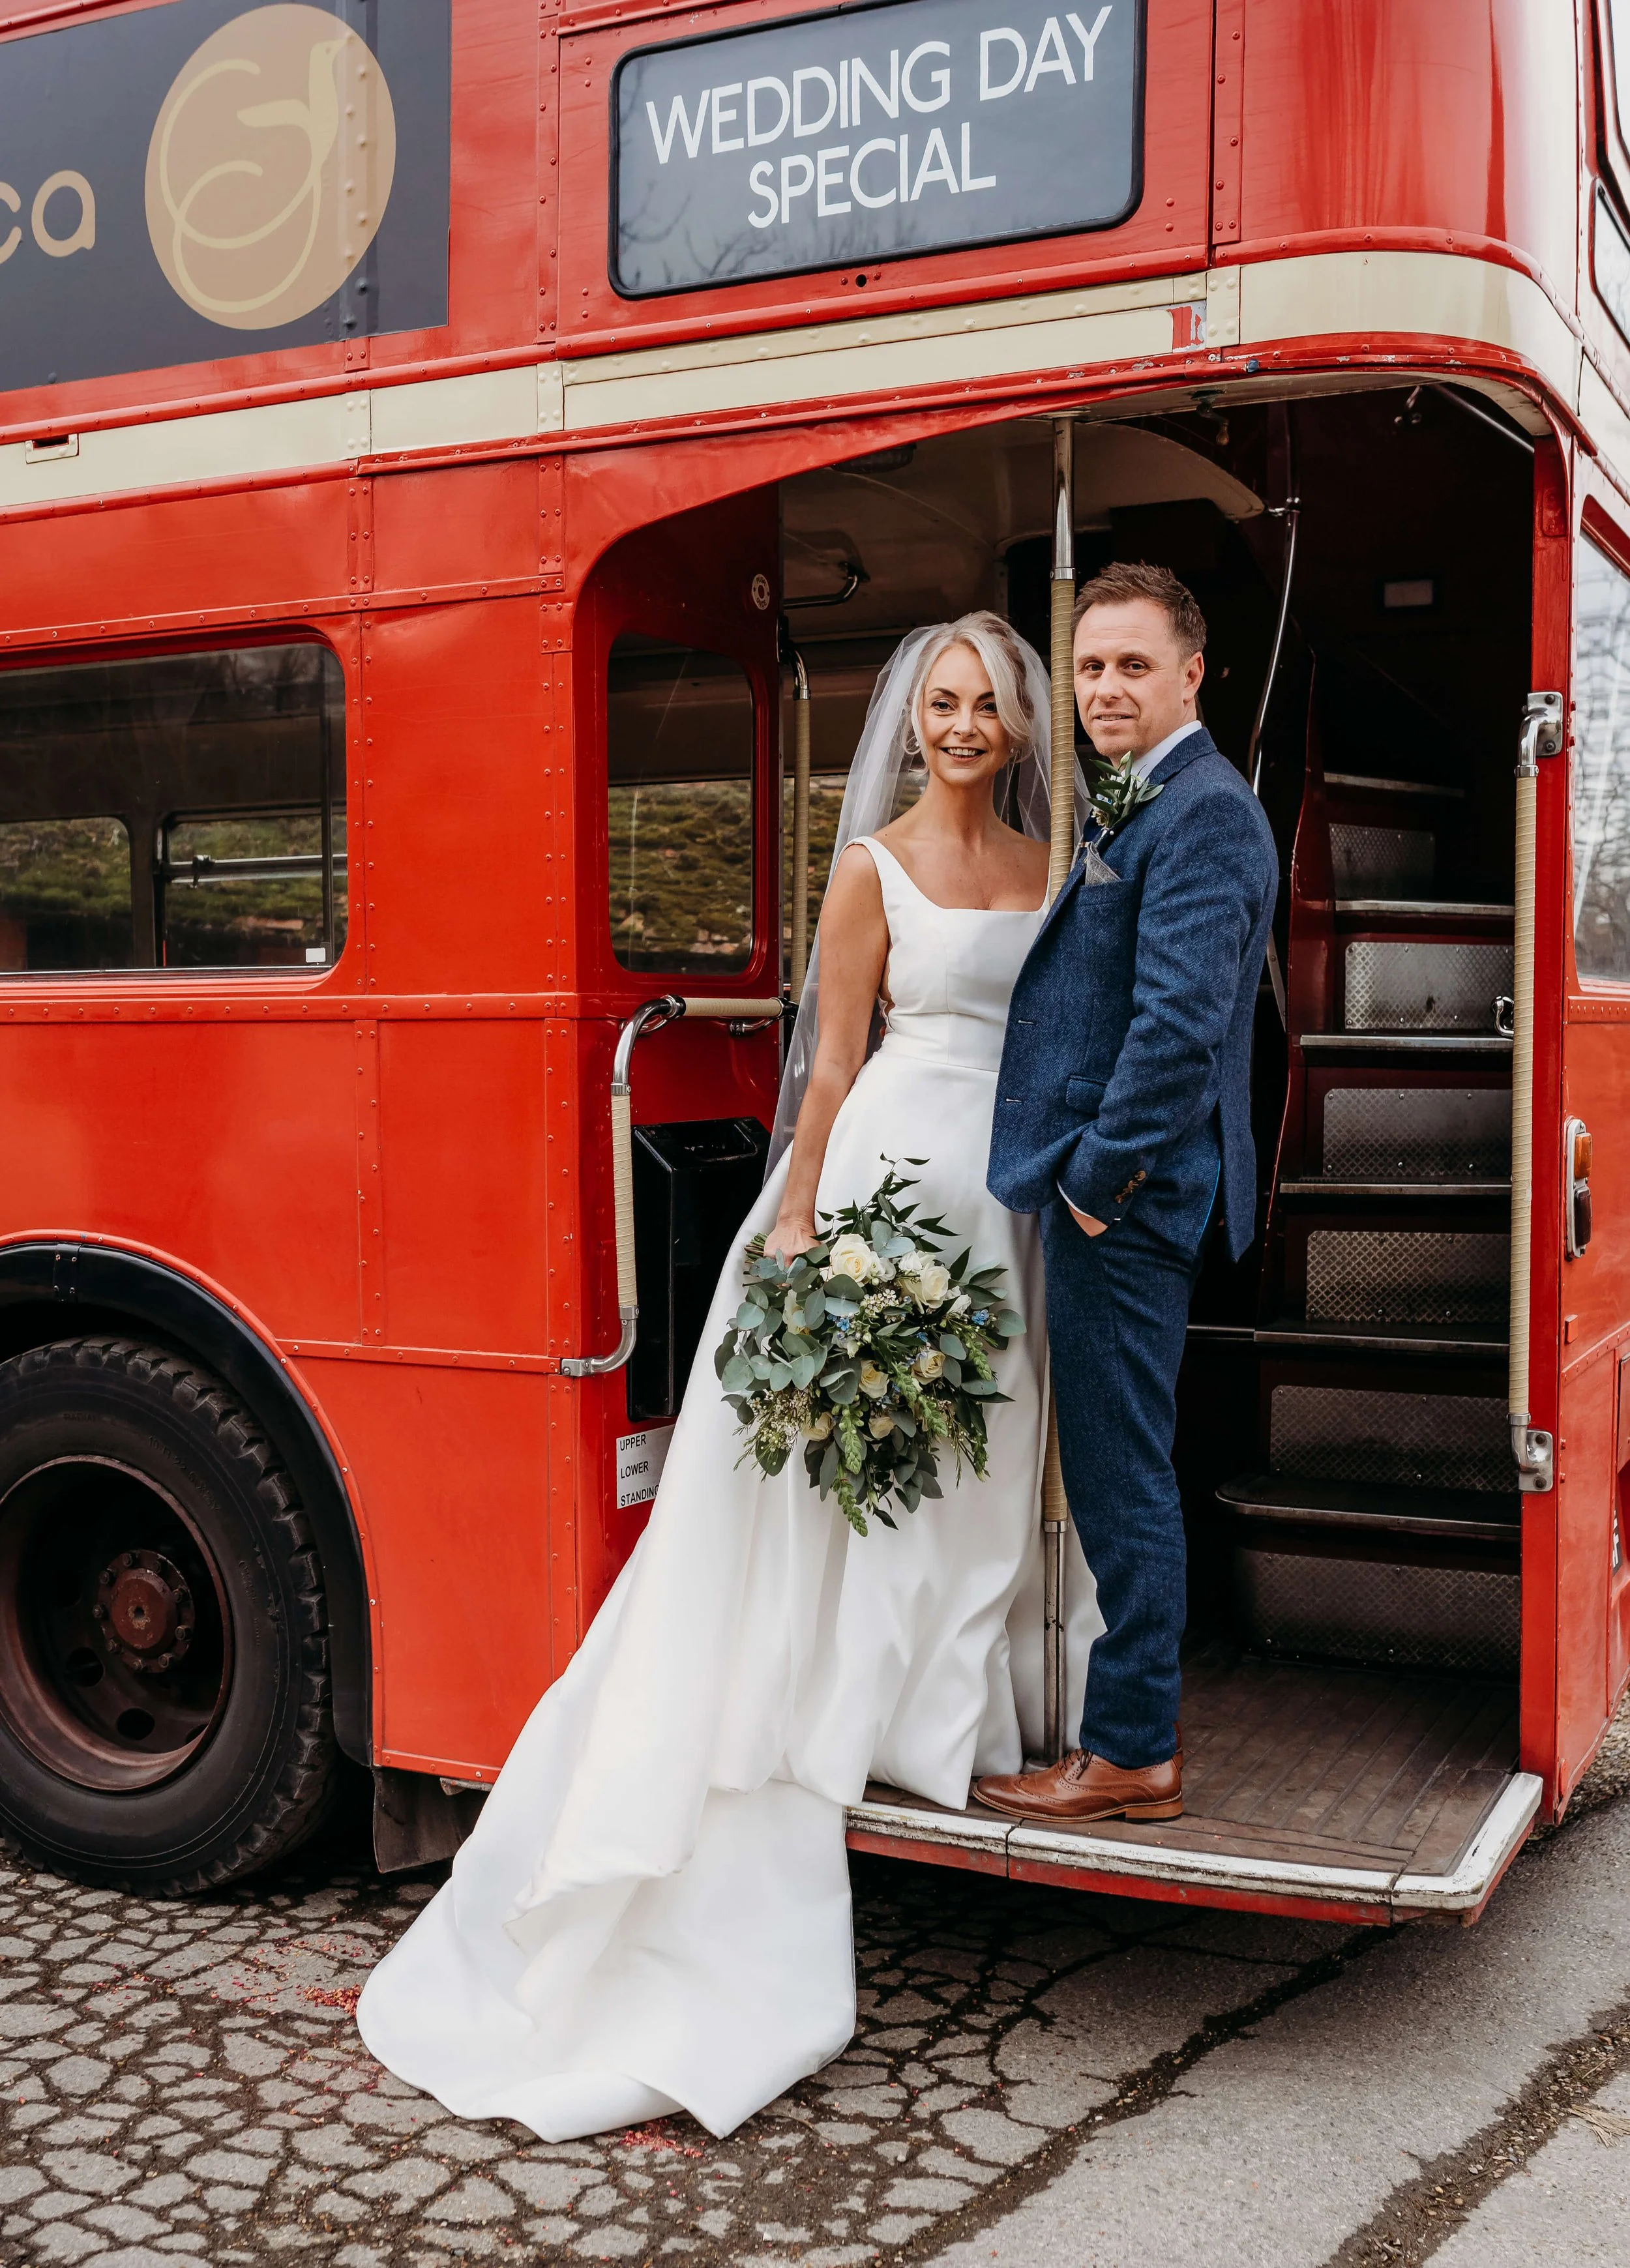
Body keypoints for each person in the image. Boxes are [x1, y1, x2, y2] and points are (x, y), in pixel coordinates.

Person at [356, 611, 1099, 2143]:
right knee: (879, 1471)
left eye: (988, 704)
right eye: (943, 701)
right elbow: (831, 1061)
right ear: (916, 721)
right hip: (892, 1170)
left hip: (1008, 1200)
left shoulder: (1050, 869)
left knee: (988, 1460)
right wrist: (809, 1228)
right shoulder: (871, 862)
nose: (963, 723)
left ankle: (964, 1721)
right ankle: (869, 1721)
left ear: (1022, 725)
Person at [978, 562, 1278, 1827]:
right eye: (1090, 665)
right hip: (1129, 1191)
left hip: (1134, 1198)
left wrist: (1095, 1184)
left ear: (1191, 672)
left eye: (1131, 664)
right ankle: (1126, 1733)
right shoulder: (1146, 799)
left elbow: (1174, 1029)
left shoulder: (1203, 812)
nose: (1104, 687)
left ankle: (1128, 1749)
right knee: (1119, 1461)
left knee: (1118, 1472)